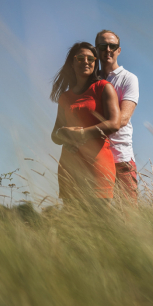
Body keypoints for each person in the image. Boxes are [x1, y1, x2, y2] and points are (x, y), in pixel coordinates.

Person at [50, 42, 121, 203]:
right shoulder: (65, 97)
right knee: (73, 224)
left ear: (95, 63)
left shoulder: (104, 87)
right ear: (72, 63)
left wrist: (81, 133)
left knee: (101, 224)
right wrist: (65, 135)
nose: (86, 61)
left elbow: (114, 123)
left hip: (97, 165)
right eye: (80, 58)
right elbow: (55, 134)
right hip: (70, 166)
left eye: (91, 58)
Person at [95, 29, 140, 200]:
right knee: (97, 216)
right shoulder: (91, 80)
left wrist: (84, 133)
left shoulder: (129, 78)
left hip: (121, 156)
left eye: (112, 46)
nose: (108, 49)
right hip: (95, 156)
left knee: (128, 216)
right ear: (96, 49)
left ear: (118, 50)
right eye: (103, 45)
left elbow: (122, 119)